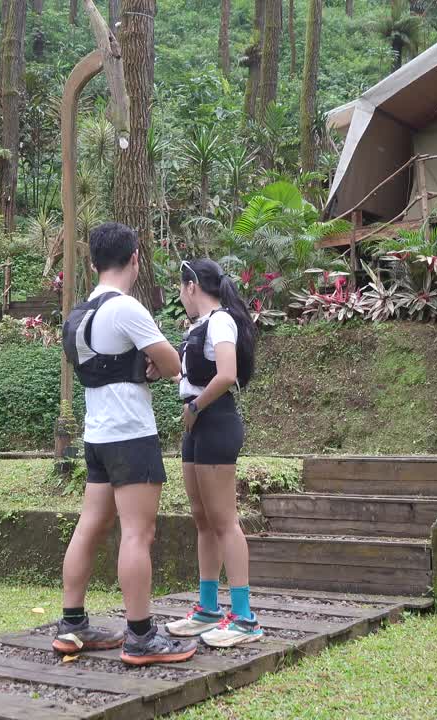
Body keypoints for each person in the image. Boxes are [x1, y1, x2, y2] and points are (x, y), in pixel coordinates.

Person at [53, 222, 197, 666]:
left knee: (90, 526)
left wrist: (141, 365)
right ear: (135, 257)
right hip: (131, 434)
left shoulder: (85, 310)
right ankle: (141, 636)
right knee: (138, 532)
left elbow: (113, 363)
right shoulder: (126, 308)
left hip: (97, 434)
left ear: (94, 263)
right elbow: (173, 362)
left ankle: (72, 624)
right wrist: (155, 365)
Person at [165, 258, 263, 648]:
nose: (179, 295)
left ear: (192, 286)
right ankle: (208, 608)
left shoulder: (221, 321)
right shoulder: (199, 327)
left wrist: (194, 407)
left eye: (180, 288)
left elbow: (226, 374)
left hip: (214, 421)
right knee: (203, 519)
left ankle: (244, 617)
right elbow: (196, 376)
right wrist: (170, 376)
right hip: (198, 424)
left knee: (225, 521)